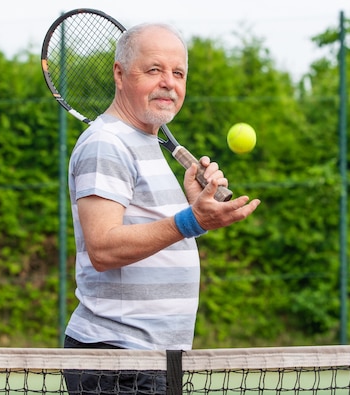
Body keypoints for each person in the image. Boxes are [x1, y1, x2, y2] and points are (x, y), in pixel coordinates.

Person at [63, 22, 260, 394]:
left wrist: (192, 208)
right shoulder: (106, 143)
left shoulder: (144, 142)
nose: (169, 82)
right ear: (120, 75)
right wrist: (191, 220)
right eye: (154, 69)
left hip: (153, 361)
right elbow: (103, 248)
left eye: (178, 72)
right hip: (117, 364)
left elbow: (160, 231)